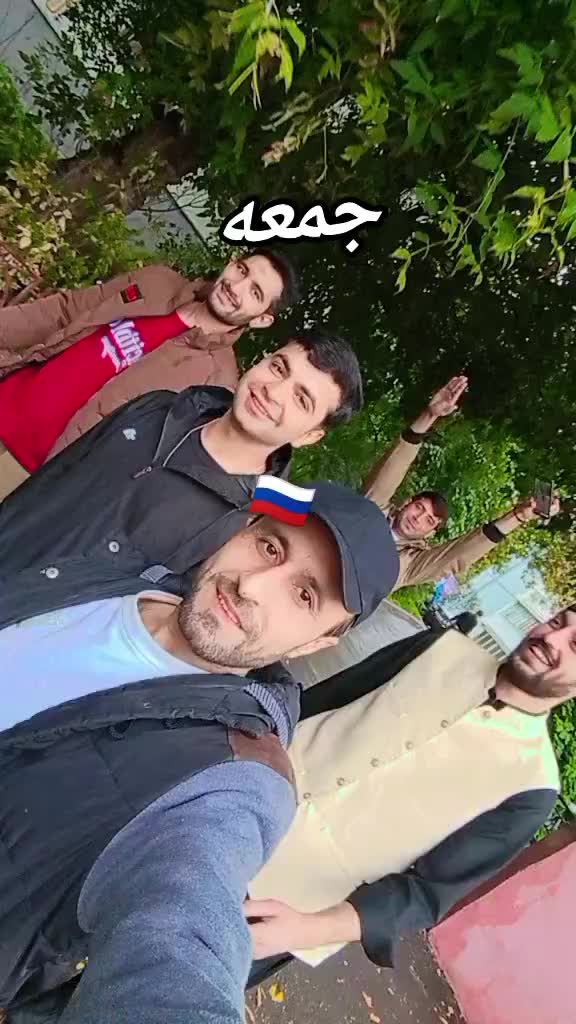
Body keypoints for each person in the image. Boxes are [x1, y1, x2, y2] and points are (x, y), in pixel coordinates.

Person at [0, 482, 399, 1023]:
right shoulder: (123, 572)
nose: (251, 585)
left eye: (304, 595)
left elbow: (183, 922)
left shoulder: (234, 776)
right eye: (270, 547)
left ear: (317, 642)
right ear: (242, 530)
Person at [246, 606, 572, 984]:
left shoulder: (533, 785)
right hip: (229, 795)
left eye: (575, 645)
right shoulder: (441, 647)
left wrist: (306, 930)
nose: (551, 638)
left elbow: (427, 892)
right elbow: (324, 699)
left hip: (279, 906)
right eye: (556, 622)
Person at [0, 331, 363, 631]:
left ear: (310, 436)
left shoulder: (246, 526)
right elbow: (56, 475)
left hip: (25, 630)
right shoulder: (158, 407)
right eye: (279, 367)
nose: (274, 390)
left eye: (301, 399)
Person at [0, 249, 300, 500]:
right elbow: (64, 311)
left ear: (262, 319)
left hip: (27, 470)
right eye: (242, 270)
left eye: (255, 292)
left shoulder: (215, 383)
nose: (236, 287)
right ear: (232, 262)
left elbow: (145, 466)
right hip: (8, 395)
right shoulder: (156, 282)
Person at [363, 375, 561, 589]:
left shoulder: (411, 564)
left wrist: (518, 516)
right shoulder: (371, 510)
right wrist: (429, 415)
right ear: (406, 502)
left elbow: (458, 554)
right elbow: (388, 474)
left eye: (429, 521)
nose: (418, 519)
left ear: (431, 533)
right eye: (419, 508)